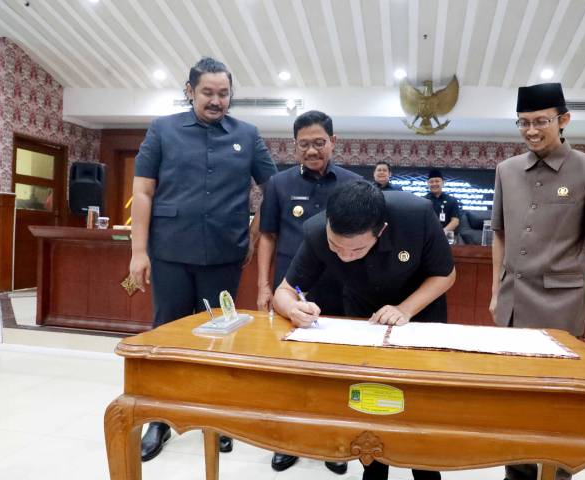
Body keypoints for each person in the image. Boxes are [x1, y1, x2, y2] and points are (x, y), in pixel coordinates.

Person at [128, 57, 277, 462]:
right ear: (189, 91)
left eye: (223, 93)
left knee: (219, 336)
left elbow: (274, 188)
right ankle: (160, 417)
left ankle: (216, 416)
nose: (216, 100)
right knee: (167, 335)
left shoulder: (247, 135)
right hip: (170, 252)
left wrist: (254, 230)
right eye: (208, 92)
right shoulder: (162, 130)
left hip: (225, 254)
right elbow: (142, 192)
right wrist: (138, 252)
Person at [273, 180, 456, 480]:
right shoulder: (317, 231)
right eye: (336, 247)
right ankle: (373, 469)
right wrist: (293, 309)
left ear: (380, 231)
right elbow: (284, 291)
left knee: (419, 407)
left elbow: (446, 275)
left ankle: (426, 471)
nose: (344, 256)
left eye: (357, 249)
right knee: (370, 399)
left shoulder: (417, 216)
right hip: (364, 318)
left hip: (418, 313)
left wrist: (405, 309)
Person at [489, 83, 585, 480]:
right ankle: (516, 474)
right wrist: (495, 291)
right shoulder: (507, 171)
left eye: (541, 121)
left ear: (564, 120)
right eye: (523, 122)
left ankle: (557, 474)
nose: (531, 131)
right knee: (513, 401)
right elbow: (499, 234)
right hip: (513, 303)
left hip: (562, 307)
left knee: (557, 403)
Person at [256, 110, 360, 474]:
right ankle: (288, 440)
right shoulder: (278, 184)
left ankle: (334, 442)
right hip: (291, 289)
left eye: (319, 142)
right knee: (289, 369)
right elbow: (267, 236)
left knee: (335, 370)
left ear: (333, 142)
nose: (312, 150)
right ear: (294, 146)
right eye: (304, 144)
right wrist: (264, 286)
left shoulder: (353, 184)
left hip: (340, 289)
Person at [424, 169, 460, 234]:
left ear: (443, 183)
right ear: (428, 184)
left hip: (446, 235)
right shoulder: (423, 200)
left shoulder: (452, 200)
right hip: (428, 235)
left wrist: (441, 233)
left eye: (437, 181)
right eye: (431, 182)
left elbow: (455, 221)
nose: (434, 184)